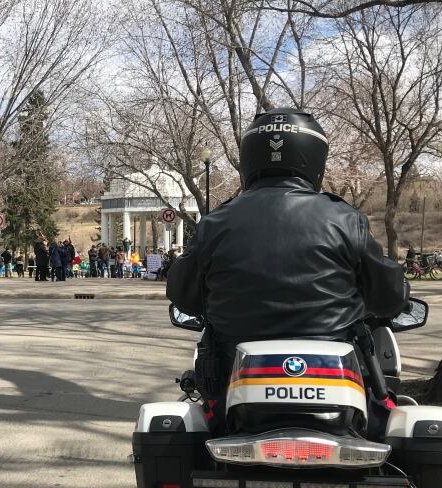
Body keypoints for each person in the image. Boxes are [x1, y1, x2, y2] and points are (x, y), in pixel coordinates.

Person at [166, 108, 409, 434]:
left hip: (231, 387)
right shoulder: (345, 220)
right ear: (314, 158)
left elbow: (182, 295)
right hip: (336, 382)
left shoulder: (215, 224)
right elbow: (390, 295)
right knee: (389, 426)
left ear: (250, 158)